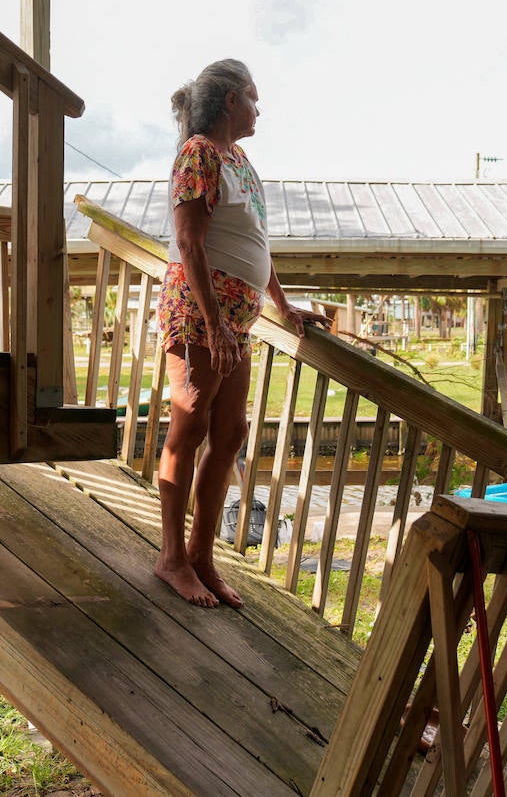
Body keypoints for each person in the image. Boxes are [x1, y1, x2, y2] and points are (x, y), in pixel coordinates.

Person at [154, 58, 331, 608]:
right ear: (231, 100)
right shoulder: (199, 153)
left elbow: (255, 241)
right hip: (199, 314)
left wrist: (281, 303)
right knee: (190, 426)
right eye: (254, 98)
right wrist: (211, 323)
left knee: (229, 433)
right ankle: (171, 558)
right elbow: (189, 243)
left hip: (235, 321)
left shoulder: (240, 160)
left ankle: (202, 554)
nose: (260, 109)